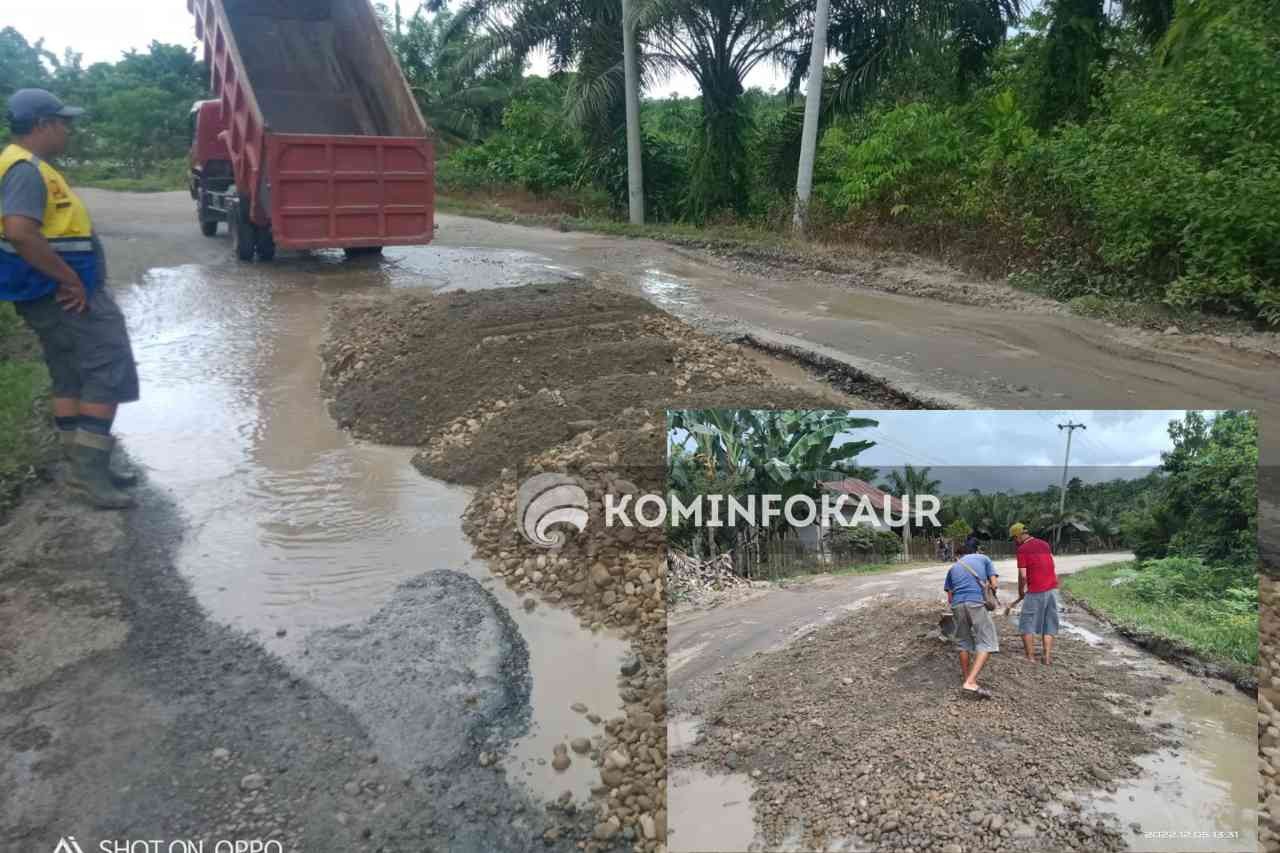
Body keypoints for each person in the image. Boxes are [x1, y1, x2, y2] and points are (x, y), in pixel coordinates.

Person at [1, 89, 140, 509]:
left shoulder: (21, 164)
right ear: (42, 124)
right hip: (62, 295)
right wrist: (70, 281)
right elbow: (20, 231)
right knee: (107, 369)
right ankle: (88, 475)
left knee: (70, 373)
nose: (68, 130)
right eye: (63, 122)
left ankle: (84, 467)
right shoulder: (25, 169)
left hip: (45, 293)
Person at [943, 543, 1000, 698]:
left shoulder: (953, 567)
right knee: (988, 642)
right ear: (975, 551)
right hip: (976, 603)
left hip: (957, 605)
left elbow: (950, 597)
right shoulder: (983, 558)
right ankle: (970, 681)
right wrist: (989, 590)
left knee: (963, 642)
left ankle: (967, 678)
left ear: (959, 555)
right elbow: (994, 585)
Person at [1011, 522, 1059, 664]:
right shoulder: (1044, 544)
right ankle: (1047, 656)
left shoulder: (1022, 549)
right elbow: (1051, 564)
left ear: (1018, 536)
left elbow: (1023, 575)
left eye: (1014, 538)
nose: (1015, 542)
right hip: (1050, 589)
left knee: (1027, 624)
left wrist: (1021, 591)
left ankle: (1030, 657)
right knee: (1049, 623)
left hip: (1035, 591)